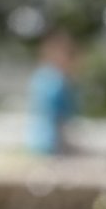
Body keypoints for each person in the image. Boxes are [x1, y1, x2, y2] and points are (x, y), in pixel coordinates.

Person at [26, 25, 81, 157]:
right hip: (50, 144)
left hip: (34, 141)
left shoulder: (40, 76)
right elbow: (58, 118)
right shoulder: (57, 82)